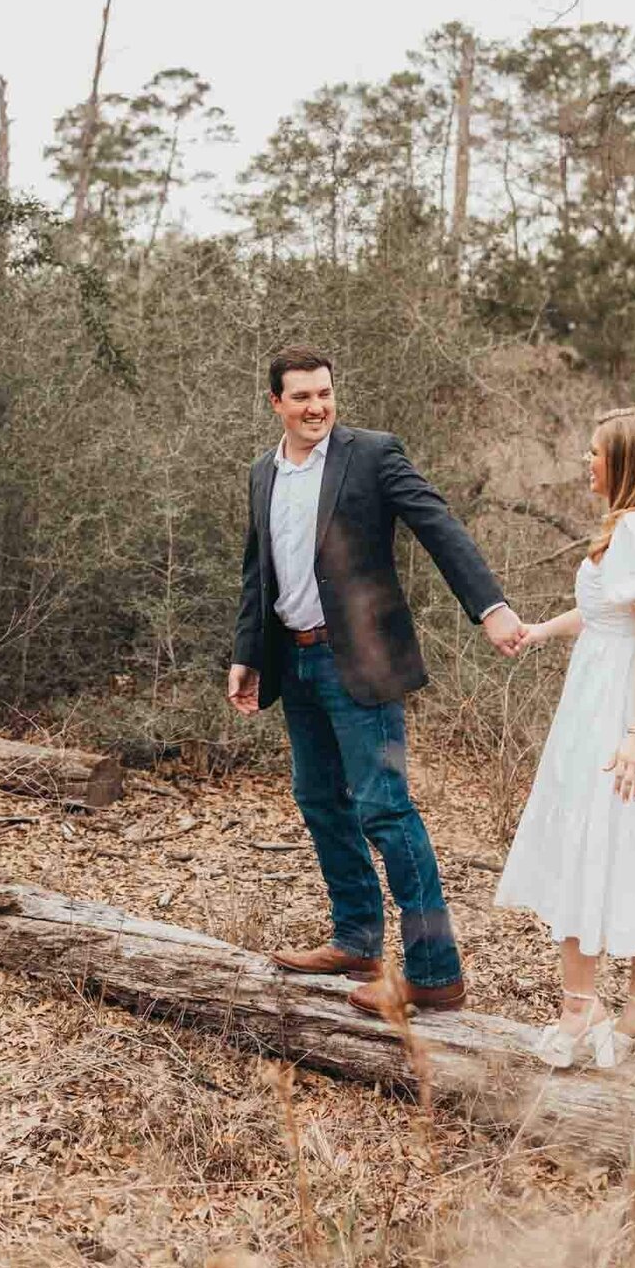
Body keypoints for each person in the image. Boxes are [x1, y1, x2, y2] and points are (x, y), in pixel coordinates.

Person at [228, 344, 523, 1017]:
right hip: (295, 660)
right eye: (301, 396)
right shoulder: (262, 474)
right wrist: (247, 653)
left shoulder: (372, 454)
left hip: (359, 660)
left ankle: (434, 973)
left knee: (385, 811)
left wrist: (491, 606)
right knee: (319, 799)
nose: (316, 407)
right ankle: (358, 939)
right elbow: (259, 574)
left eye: (324, 393)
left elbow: (439, 527)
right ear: (275, 402)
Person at [494, 406, 635, 1074]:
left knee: (598, 838)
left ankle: (583, 1007)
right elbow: (611, 612)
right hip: (617, 696)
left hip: (629, 707)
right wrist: (543, 630)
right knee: (632, 840)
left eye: (596, 452)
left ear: (625, 462)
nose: (586, 463)